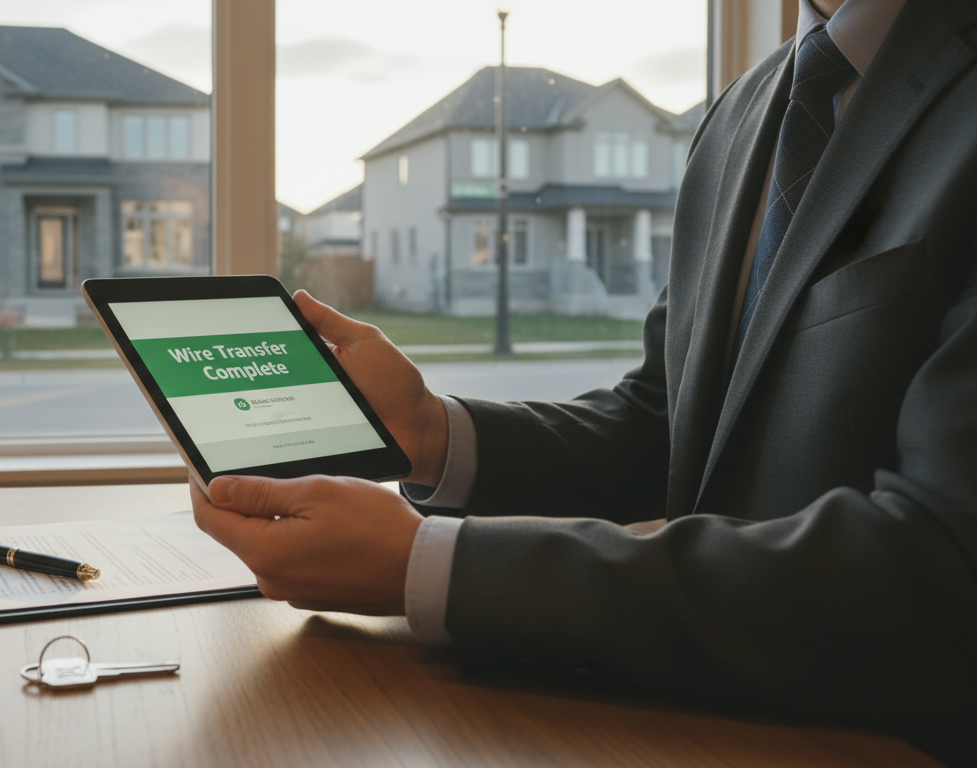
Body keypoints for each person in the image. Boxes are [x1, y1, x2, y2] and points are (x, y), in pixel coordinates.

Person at [193, 0, 976, 760]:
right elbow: (666, 428)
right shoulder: (744, 109)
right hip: (704, 730)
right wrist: (433, 434)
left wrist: (431, 567)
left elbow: (939, 569)